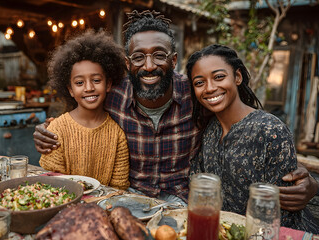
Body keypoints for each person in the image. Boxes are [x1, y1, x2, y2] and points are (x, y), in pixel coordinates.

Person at [33, 10, 318, 208]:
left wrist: (310, 182)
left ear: (173, 60)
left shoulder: (197, 94)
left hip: (183, 200)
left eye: (159, 55)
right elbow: (79, 111)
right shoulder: (112, 93)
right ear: (127, 64)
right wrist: (48, 129)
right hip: (130, 197)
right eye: (138, 57)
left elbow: (249, 130)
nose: (149, 65)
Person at [186, 44, 318, 232]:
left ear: (237, 77)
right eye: (199, 83)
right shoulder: (209, 132)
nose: (209, 88)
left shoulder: (270, 130)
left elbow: (283, 213)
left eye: (219, 77)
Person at [39, 30, 130, 190]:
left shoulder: (117, 136)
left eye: (96, 80)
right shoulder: (57, 130)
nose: (89, 88)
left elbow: (119, 188)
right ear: (70, 90)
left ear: (108, 84)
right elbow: (51, 184)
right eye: (79, 83)